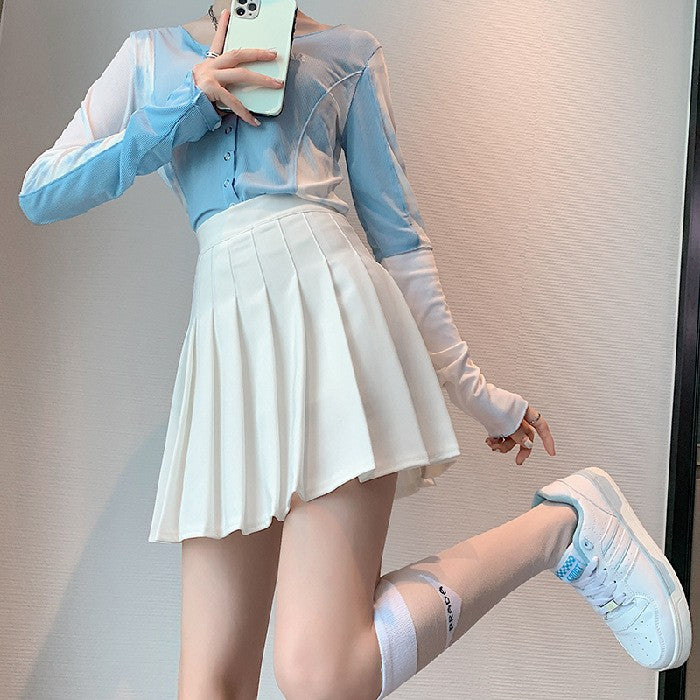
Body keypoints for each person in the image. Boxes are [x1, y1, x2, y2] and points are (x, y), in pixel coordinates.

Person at [18, 3, 692, 698]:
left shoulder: (349, 53)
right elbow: (41, 191)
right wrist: (187, 103)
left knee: (323, 673)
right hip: (226, 345)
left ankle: (563, 528)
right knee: (208, 687)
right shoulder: (151, 57)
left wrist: (476, 393)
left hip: (333, 317)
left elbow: (400, 241)